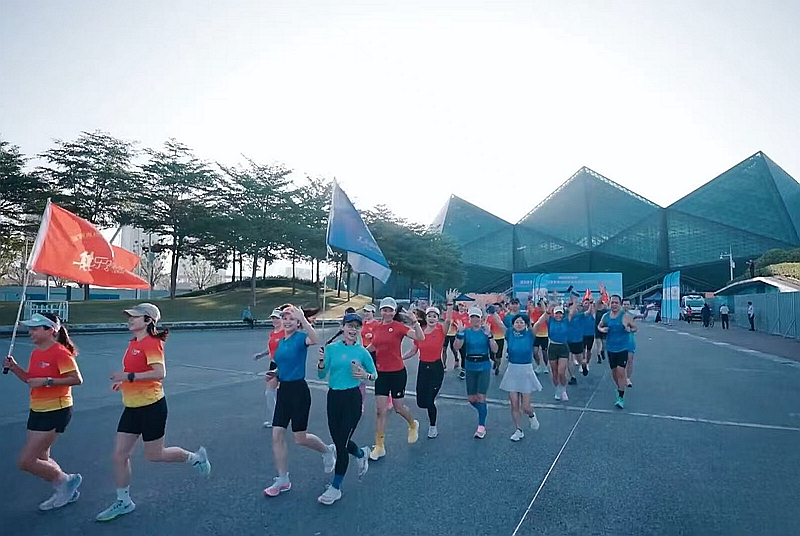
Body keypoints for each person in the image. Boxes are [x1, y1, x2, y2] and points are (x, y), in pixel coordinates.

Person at [96, 303, 211, 522]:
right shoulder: (133, 343)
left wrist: (128, 377)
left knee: (155, 455)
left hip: (151, 407)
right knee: (119, 455)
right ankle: (124, 501)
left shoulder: (152, 343)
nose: (130, 319)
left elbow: (160, 373)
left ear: (148, 320)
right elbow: (136, 370)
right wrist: (125, 381)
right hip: (131, 406)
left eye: (135, 317)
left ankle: (195, 458)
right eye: (129, 316)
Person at [4, 313, 84, 511]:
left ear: (51, 331)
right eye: (30, 328)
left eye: (35, 328)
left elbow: (76, 379)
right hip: (37, 409)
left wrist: (48, 381)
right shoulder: (36, 353)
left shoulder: (60, 353)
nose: (30, 332)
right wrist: (14, 368)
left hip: (56, 410)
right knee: (41, 457)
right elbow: (31, 380)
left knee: (25, 461)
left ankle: (64, 481)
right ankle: (66, 487)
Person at [263, 305, 336, 498]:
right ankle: (283, 479)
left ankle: (327, 451)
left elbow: (315, 339)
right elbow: (283, 364)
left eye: (291, 318)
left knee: (299, 438)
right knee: (277, 435)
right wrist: (275, 373)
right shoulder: (281, 341)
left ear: (297, 323)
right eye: (285, 318)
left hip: (299, 392)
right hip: (284, 391)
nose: (287, 321)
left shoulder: (300, 338)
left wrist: (303, 318)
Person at [316, 313, 377, 505]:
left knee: (341, 445)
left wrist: (365, 375)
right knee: (339, 440)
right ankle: (361, 453)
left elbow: (374, 375)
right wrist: (321, 361)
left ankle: (336, 487)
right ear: (342, 327)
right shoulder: (331, 349)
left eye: (357, 327)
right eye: (350, 325)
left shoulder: (362, 352)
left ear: (360, 330)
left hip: (352, 399)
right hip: (334, 398)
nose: (353, 329)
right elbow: (321, 375)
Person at [366, 297, 424, 460]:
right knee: (380, 411)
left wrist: (415, 322)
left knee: (398, 408)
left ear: (394, 312)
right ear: (381, 311)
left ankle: (413, 424)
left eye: (390, 310)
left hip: (397, 373)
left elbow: (420, 338)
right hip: (381, 373)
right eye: (385, 310)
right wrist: (359, 354)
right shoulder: (377, 327)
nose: (387, 313)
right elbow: (373, 346)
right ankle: (379, 446)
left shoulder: (399, 327)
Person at [403, 294, 455, 439]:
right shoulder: (420, 331)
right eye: (429, 316)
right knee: (421, 402)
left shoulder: (441, 330)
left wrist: (449, 303)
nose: (432, 318)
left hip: (436, 368)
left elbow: (448, 320)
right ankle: (430, 402)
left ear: (438, 318)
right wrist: (401, 358)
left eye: (435, 316)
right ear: (426, 318)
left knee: (430, 401)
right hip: (423, 368)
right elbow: (413, 350)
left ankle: (433, 426)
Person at [453, 306, 498, 438]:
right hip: (470, 366)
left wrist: (490, 336)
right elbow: (456, 347)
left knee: (481, 397)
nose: (474, 320)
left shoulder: (486, 331)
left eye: (477, 317)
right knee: (472, 399)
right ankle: (483, 410)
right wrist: (460, 333)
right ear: (469, 319)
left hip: (483, 366)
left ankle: (481, 426)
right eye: (472, 317)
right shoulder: (466, 332)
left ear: (481, 319)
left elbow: (495, 349)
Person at [500, 313, 542, 441]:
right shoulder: (509, 333)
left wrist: (547, 312)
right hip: (512, 370)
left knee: (525, 407)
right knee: (514, 404)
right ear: (513, 324)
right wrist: (490, 312)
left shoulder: (530, 334)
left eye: (521, 322)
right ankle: (518, 430)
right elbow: (498, 322)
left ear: (526, 324)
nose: (519, 324)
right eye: (517, 322)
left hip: (526, 370)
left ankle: (531, 415)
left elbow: (540, 322)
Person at [598, 295, 637, 409]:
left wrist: (629, 329)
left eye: (616, 303)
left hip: (623, 348)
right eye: (612, 303)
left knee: (621, 371)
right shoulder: (606, 316)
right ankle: (619, 388)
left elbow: (635, 328)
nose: (614, 305)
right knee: (614, 373)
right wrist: (602, 329)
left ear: (620, 304)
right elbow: (599, 326)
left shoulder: (625, 316)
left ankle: (620, 398)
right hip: (611, 348)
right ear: (609, 304)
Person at [534, 301, 570, 401]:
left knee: (561, 372)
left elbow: (572, 310)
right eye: (556, 313)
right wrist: (550, 305)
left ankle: (563, 389)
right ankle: (558, 389)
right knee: (554, 372)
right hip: (553, 347)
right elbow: (543, 317)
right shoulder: (550, 320)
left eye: (560, 313)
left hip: (563, 347)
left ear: (563, 314)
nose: (558, 315)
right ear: (553, 314)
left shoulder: (566, 321)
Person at [254, 308, 283, 428]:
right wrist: (261, 354)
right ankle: (276, 419)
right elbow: (271, 349)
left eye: (277, 318)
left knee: (277, 392)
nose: (274, 320)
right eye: (273, 318)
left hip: (283, 364)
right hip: (273, 363)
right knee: (270, 392)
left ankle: (279, 419)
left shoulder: (286, 333)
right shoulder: (273, 333)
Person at [530, 299, 550, 374]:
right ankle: (538, 366)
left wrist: (542, 300)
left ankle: (546, 366)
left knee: (544, 353)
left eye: (541, 305)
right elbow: (531, 322)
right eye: (538, 305)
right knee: (535, 352)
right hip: (536, 335)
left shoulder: (546, 313)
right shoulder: (534, 312)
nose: (539, 307)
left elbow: (545, 311)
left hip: (544, 335)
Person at [487, 303, 506, 375]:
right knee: (491, 355)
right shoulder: (489, 317)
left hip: (500, 338)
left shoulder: (503, 316)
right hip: (492, 338)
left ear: (500, 308)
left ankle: (497, 367)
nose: (496, 309)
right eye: (495, 308)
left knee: (498, 355)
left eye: (498, 308)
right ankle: (495, 361)